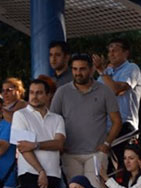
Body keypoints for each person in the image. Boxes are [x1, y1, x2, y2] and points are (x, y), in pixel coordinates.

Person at [50, 53, 121, 181]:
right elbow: (52, 121)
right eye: (74, 69)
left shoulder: (105, 91)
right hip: (69, 154)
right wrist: (59, 144)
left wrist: (106, 144)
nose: (78, 73)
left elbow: (117, 121)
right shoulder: (62, 92)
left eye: (82, 69)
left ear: (91, 69)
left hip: (96, 153)